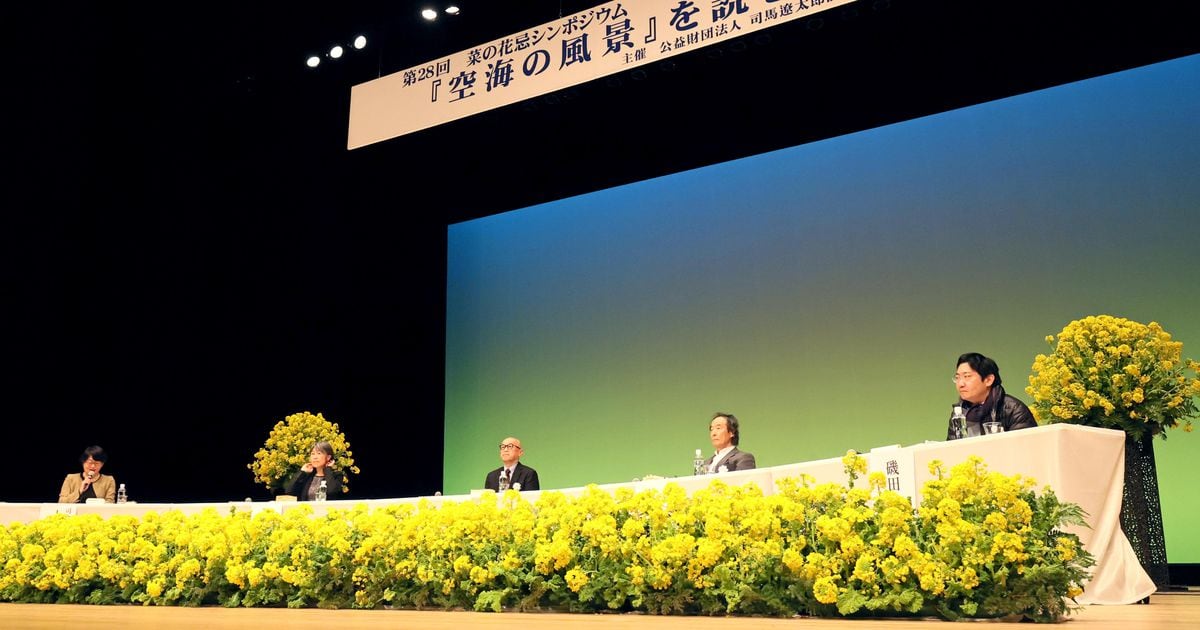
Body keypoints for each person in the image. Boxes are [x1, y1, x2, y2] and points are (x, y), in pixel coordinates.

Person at [947, 352, 1037, 439]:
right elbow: (952, 449)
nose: (960, 384)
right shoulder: (959, 413)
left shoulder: (1013, 410)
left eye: (967, 376)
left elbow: (1023, 448)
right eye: (957, 377)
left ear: (989, 380)